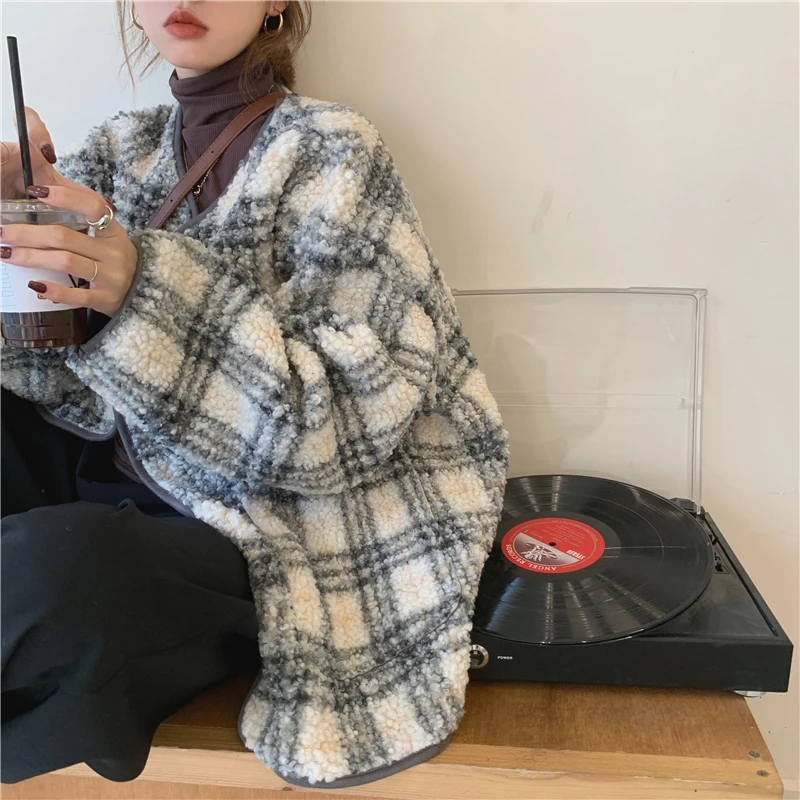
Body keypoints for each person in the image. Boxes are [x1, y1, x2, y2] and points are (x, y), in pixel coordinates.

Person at [0, 0, 508, 789]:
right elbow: (54, 382)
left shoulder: (334, 149)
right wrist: (11, 230)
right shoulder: (116, 150)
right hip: (97, 476)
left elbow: (342, 425)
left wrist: (144, 291)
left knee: (60, 572)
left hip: (256, 524)